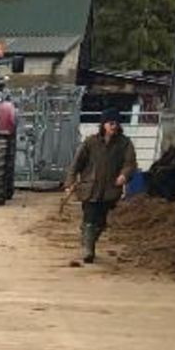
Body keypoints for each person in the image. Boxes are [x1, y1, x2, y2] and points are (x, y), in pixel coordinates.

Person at [66, 112, 139, 263]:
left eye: (116, 123)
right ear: (103, 125)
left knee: (101, 222)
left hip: (110, 190)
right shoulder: (91, 142)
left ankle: (88, 239)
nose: (114, 126)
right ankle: (88, 249)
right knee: (90, 217)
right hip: (90, 188)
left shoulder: (124, 143)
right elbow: (76, 163)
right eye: (110, 123)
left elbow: (130, 163)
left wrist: (124, 175)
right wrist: (71, 182)